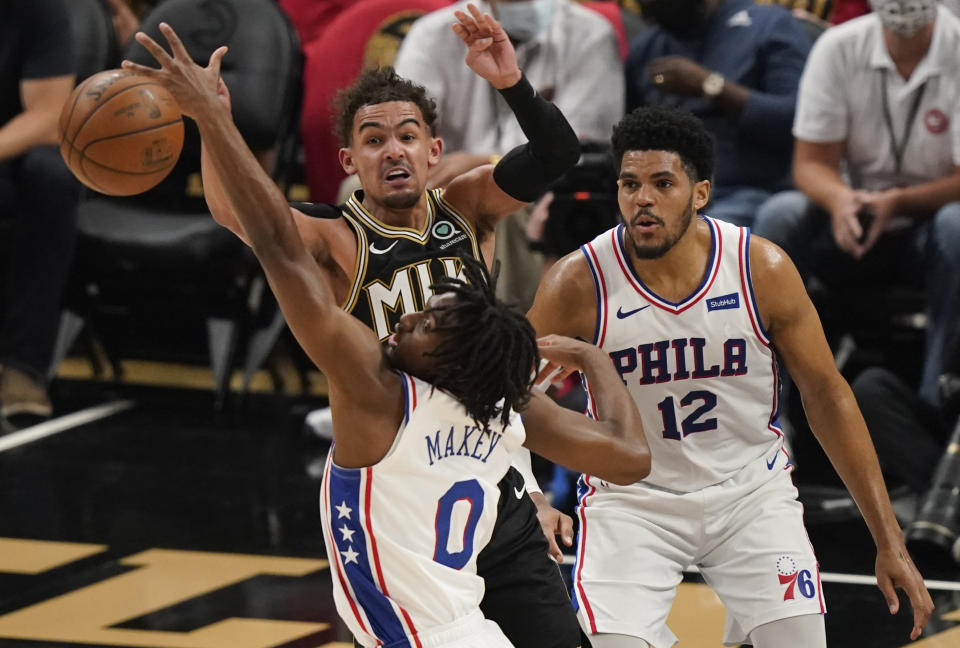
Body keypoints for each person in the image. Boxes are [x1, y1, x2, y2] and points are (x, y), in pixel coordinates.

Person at [124, 20, 652, 648]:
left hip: (488, 441)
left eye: (407, 136)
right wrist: (214, 126)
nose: (393, 151)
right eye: (373, 141)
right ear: (350, 162)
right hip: (400, 451)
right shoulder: (334, 236)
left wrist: (510, 83)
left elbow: (556, 155)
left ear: (434, 149)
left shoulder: (465, 204)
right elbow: (247, 217)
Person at [526, 105, 934, 648]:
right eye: (629, 183)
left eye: (661, 183)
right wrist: (530, 492)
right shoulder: (577, 282)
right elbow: (505, 397)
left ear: (700, 193)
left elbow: (827, 395)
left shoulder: (758, 268)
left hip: (749, 492)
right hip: (633, 503)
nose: (641, 198)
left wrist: (889, 539)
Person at [753, 0, 960, 408]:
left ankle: (932, 407)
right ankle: (767, 405)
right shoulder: (838, 46)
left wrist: (898, 202)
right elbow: (811, 164)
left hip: (928, 225)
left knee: (958, 225)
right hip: (849, 218)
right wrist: (840, 199)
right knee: (778, 216)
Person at [394, 0, 625, 308]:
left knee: (506, 198)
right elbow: (402, 127)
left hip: (545, 185)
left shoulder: (588, 32)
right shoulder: (430, 33)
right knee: (366, 189)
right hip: (441, 178)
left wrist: (485, 163)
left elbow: (580, 146)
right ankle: (395, 331)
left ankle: (515, 336)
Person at [624, 0, 811, 227]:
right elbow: (628, 140)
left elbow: (797, 120)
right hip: (661, 196)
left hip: (749, 190)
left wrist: (710, 86)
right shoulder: (646, 48)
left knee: (697, 236)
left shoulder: (770, 25)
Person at [0, 0, 79, 423]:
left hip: (12, 155)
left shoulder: (37, 9)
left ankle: (22, 366)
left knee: (52, 174)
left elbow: (49, 116)